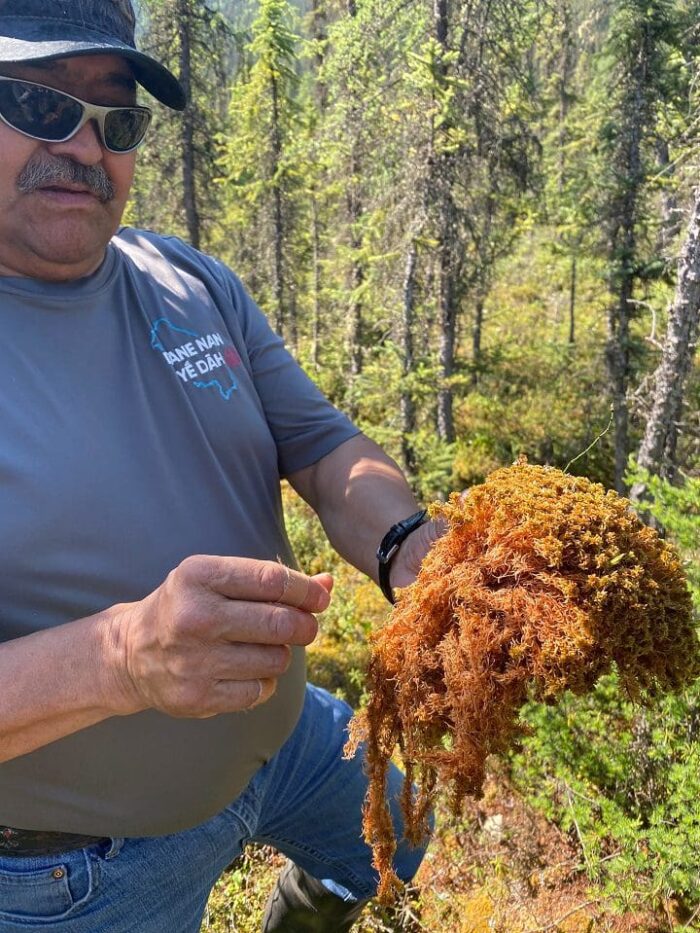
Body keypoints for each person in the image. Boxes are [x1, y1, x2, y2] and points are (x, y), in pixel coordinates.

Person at [0, 2, 443, 930]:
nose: (86, 145)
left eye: (117, 121)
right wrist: (122, 661)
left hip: (282, 744)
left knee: (403, 828)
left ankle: (306, 904)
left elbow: (322, 449)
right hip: (79, 870)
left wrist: (414, 552)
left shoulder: (187, 280)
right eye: (41, 107)